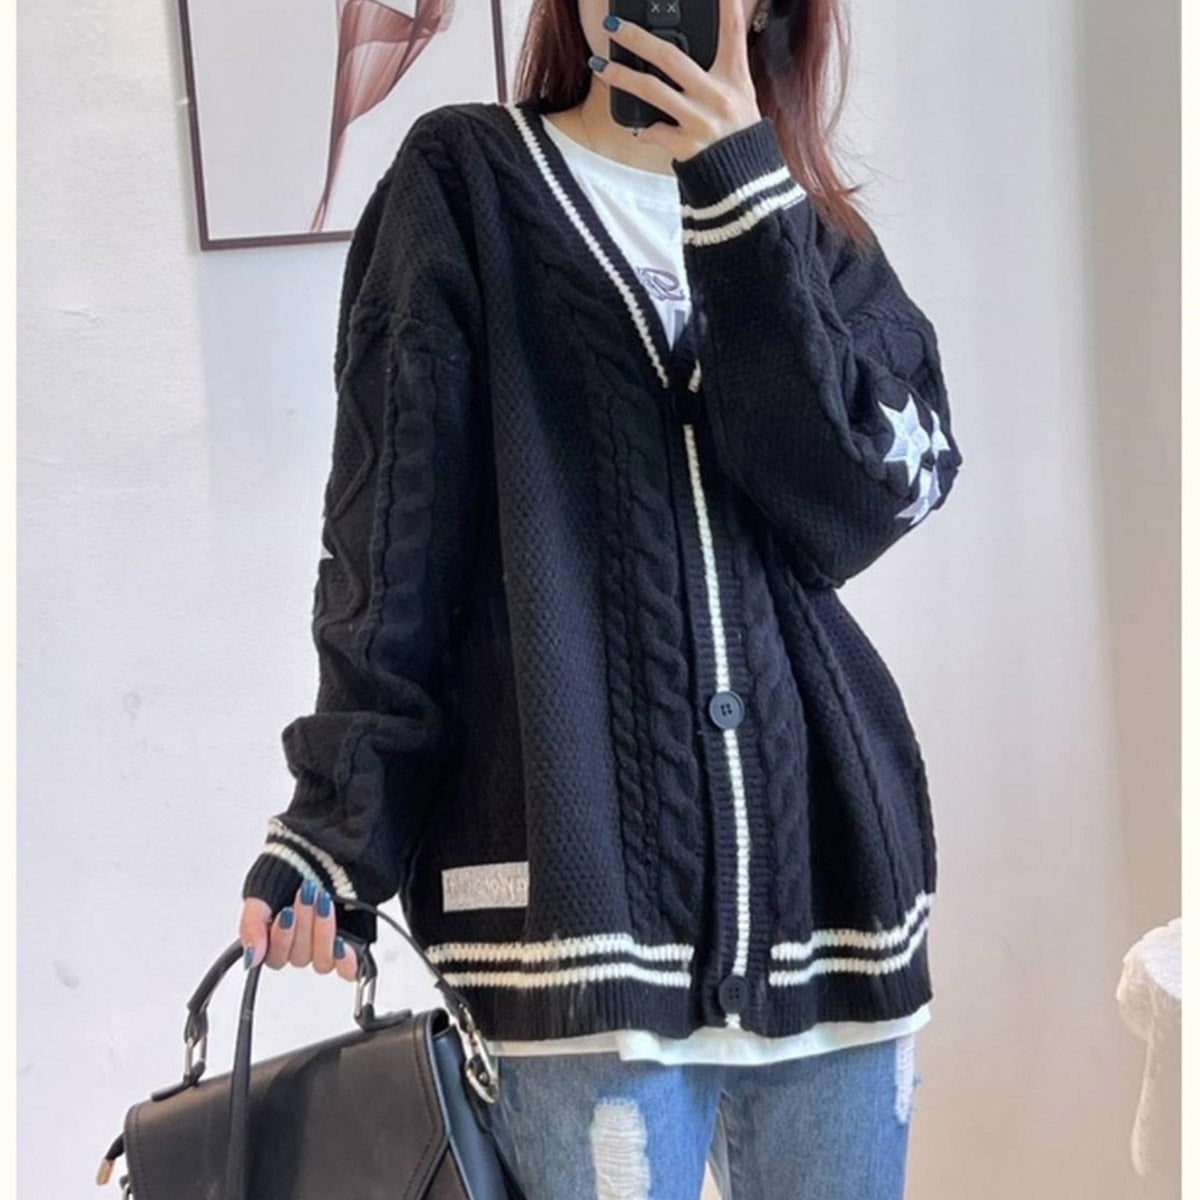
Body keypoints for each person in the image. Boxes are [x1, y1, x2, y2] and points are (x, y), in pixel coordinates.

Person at [236, 0, 964, 1195]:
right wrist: (336, 824)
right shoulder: (464, 185)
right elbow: (392, 534)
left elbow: (866, 500)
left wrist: (740, 194)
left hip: (827, 900)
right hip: (571, 914)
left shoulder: (814, 235)